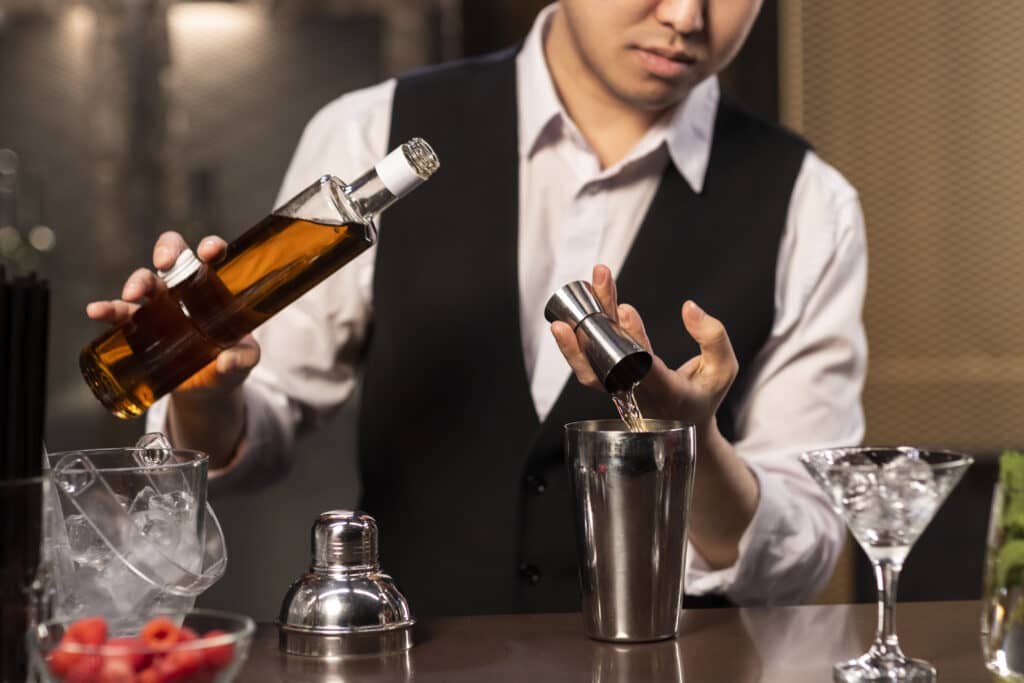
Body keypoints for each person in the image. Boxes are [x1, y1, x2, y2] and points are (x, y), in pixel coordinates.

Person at [87, 0, 866, 616]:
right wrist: (207, 397)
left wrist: (694, 439)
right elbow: (257, 431)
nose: (687, 16)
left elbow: (801, 550)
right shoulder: (368, 133)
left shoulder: (811, 203)